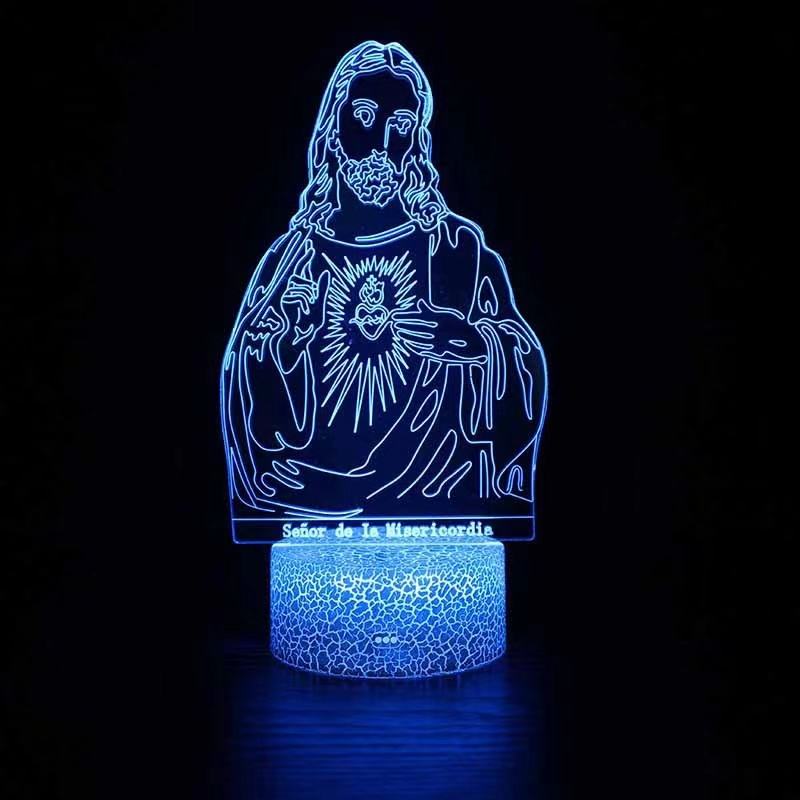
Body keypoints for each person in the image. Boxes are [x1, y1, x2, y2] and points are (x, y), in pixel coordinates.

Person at [221, 41, 547, 538]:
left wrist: (476, 345)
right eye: (365, 117)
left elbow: (521, 359)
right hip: (306, 513)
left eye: (401, 126)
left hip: (437, 508)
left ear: (416, 144)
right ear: (333, 129)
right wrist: (282, 349)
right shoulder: (291, 260)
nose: (381, 144)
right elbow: (249, 400)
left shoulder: (455, 251)